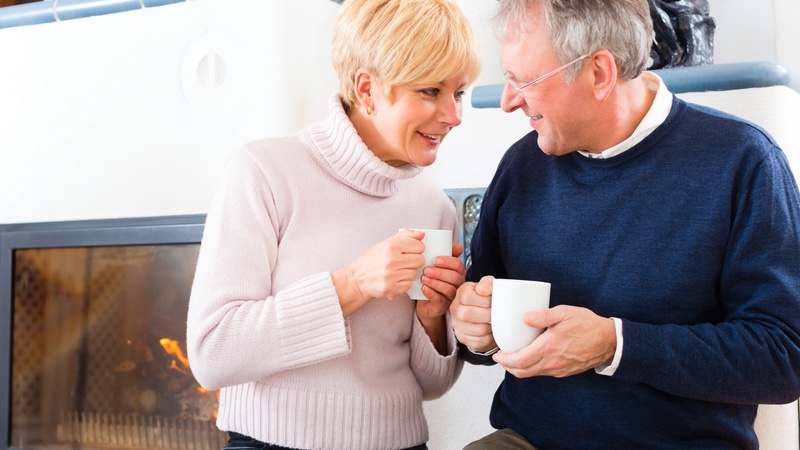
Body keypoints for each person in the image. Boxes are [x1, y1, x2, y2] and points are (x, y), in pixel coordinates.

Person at [449, 0, 800, 448]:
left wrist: (615, 345)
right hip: (530, 439)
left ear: (599, 73)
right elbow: (482, 319)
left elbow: (783, 357)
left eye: (525, 81)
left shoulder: (744, 162)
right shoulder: (521, 166)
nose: (507, 101)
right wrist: (473, 330)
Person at [186, 1, 480, 449]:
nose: (454, 115)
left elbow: (432, 385)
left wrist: (432, 318)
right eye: (430, 91)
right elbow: (213, 353)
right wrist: (353, 284)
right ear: (367, 89)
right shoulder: (264, 173)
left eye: (458, 93)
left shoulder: (433, 206)